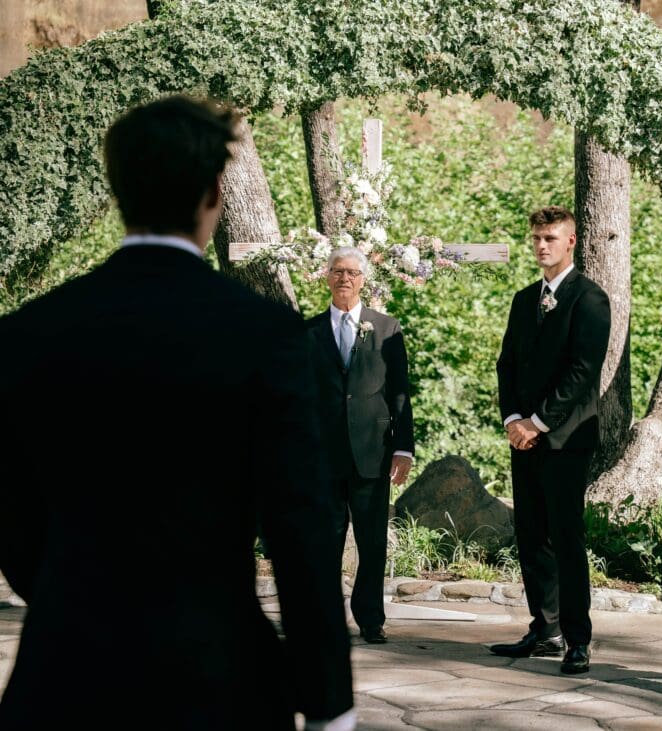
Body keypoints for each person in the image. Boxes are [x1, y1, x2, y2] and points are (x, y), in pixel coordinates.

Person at [0, 96, 353, 730]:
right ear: (216, 192)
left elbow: (12, 515)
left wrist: (74, 597)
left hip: (65, 676)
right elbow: (299, 524)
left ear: (117, 189)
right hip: (218, 675)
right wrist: (329, 703)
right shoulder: (263, 333)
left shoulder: (28, 332)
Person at [492, 205, 611, 674]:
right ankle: (545, 629)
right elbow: (507, 364)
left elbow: (583, 372)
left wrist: (538, 422)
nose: (542, 245)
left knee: (566, 538)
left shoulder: (590, 299)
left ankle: (577, 640)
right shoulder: (524, 299)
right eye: (537, 238)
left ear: (571, 242)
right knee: (530, 535)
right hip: (523, 436)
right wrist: (512, 419)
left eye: (551, 238)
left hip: (564, 439)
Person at [307, 247, 414, 645]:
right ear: (327, 277)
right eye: (337, 271)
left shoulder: (386, 328)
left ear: (363, 280)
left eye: (352, 272)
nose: (344, 278)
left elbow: (400, 392)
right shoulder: (309, 332)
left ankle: (371, 618)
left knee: (371, 542)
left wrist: (403, 448)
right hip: (323, 458)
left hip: (373, 451)